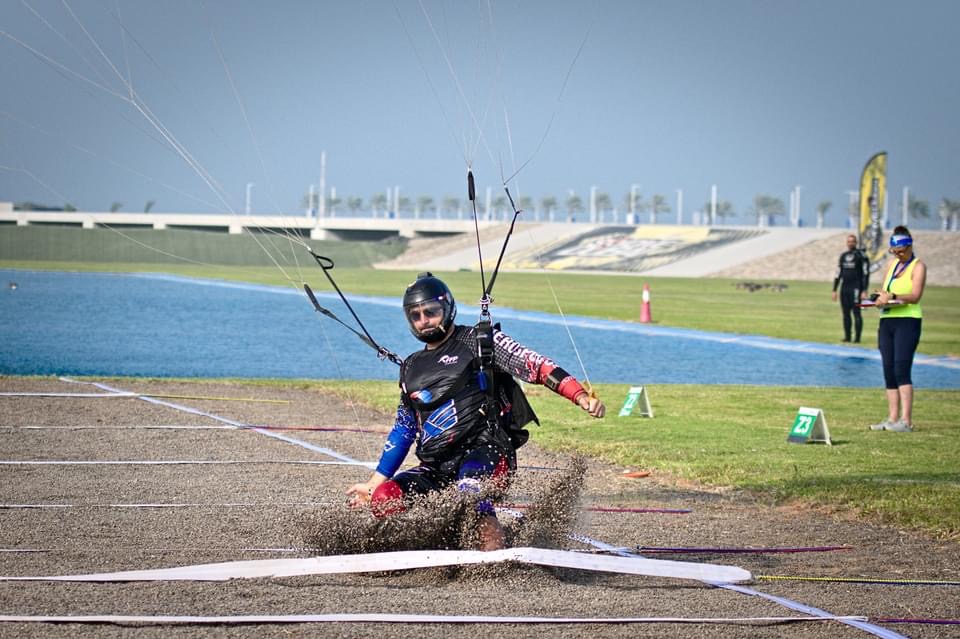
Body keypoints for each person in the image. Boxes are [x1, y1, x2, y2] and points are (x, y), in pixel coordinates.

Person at [346, 272, 605, 550]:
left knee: (469, 489)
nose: (424, 321)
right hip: (436, 466)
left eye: (430, 312)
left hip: (486, 453)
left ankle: (494, 563)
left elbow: (537, 366)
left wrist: (578, 395)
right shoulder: (411, 366)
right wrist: (374, 483)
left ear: (447, 308)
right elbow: (404, 429)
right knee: (386, 497)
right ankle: (414, 553)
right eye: (416, 315)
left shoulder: (479, 341)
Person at [869, 226, 926, 432]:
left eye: (901, 251)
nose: (898, 255)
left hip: (907, 321)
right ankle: (892, 419)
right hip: (888, 321)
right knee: (888, 370)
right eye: (894, 252)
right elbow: (886, 291)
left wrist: (892, 297)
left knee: (902, 368)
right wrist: (877, 298)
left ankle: (906, 420)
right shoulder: (892, 265)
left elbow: (915, 295)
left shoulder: (918, 266)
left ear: (909, 246)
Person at [832, 234, 870, 342]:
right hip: (845, 288)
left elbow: (866, 273)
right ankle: (847, 337)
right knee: (845, 313)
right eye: (848, 241)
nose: (850, 243)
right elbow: (838, 273)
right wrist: (834, 289)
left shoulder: (861, 256)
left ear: (856, 242)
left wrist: (864, 290)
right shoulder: (843, 256)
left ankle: (857, 338)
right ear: (846, 243)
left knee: (856, 312)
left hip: (856, 288)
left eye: (852, 241)